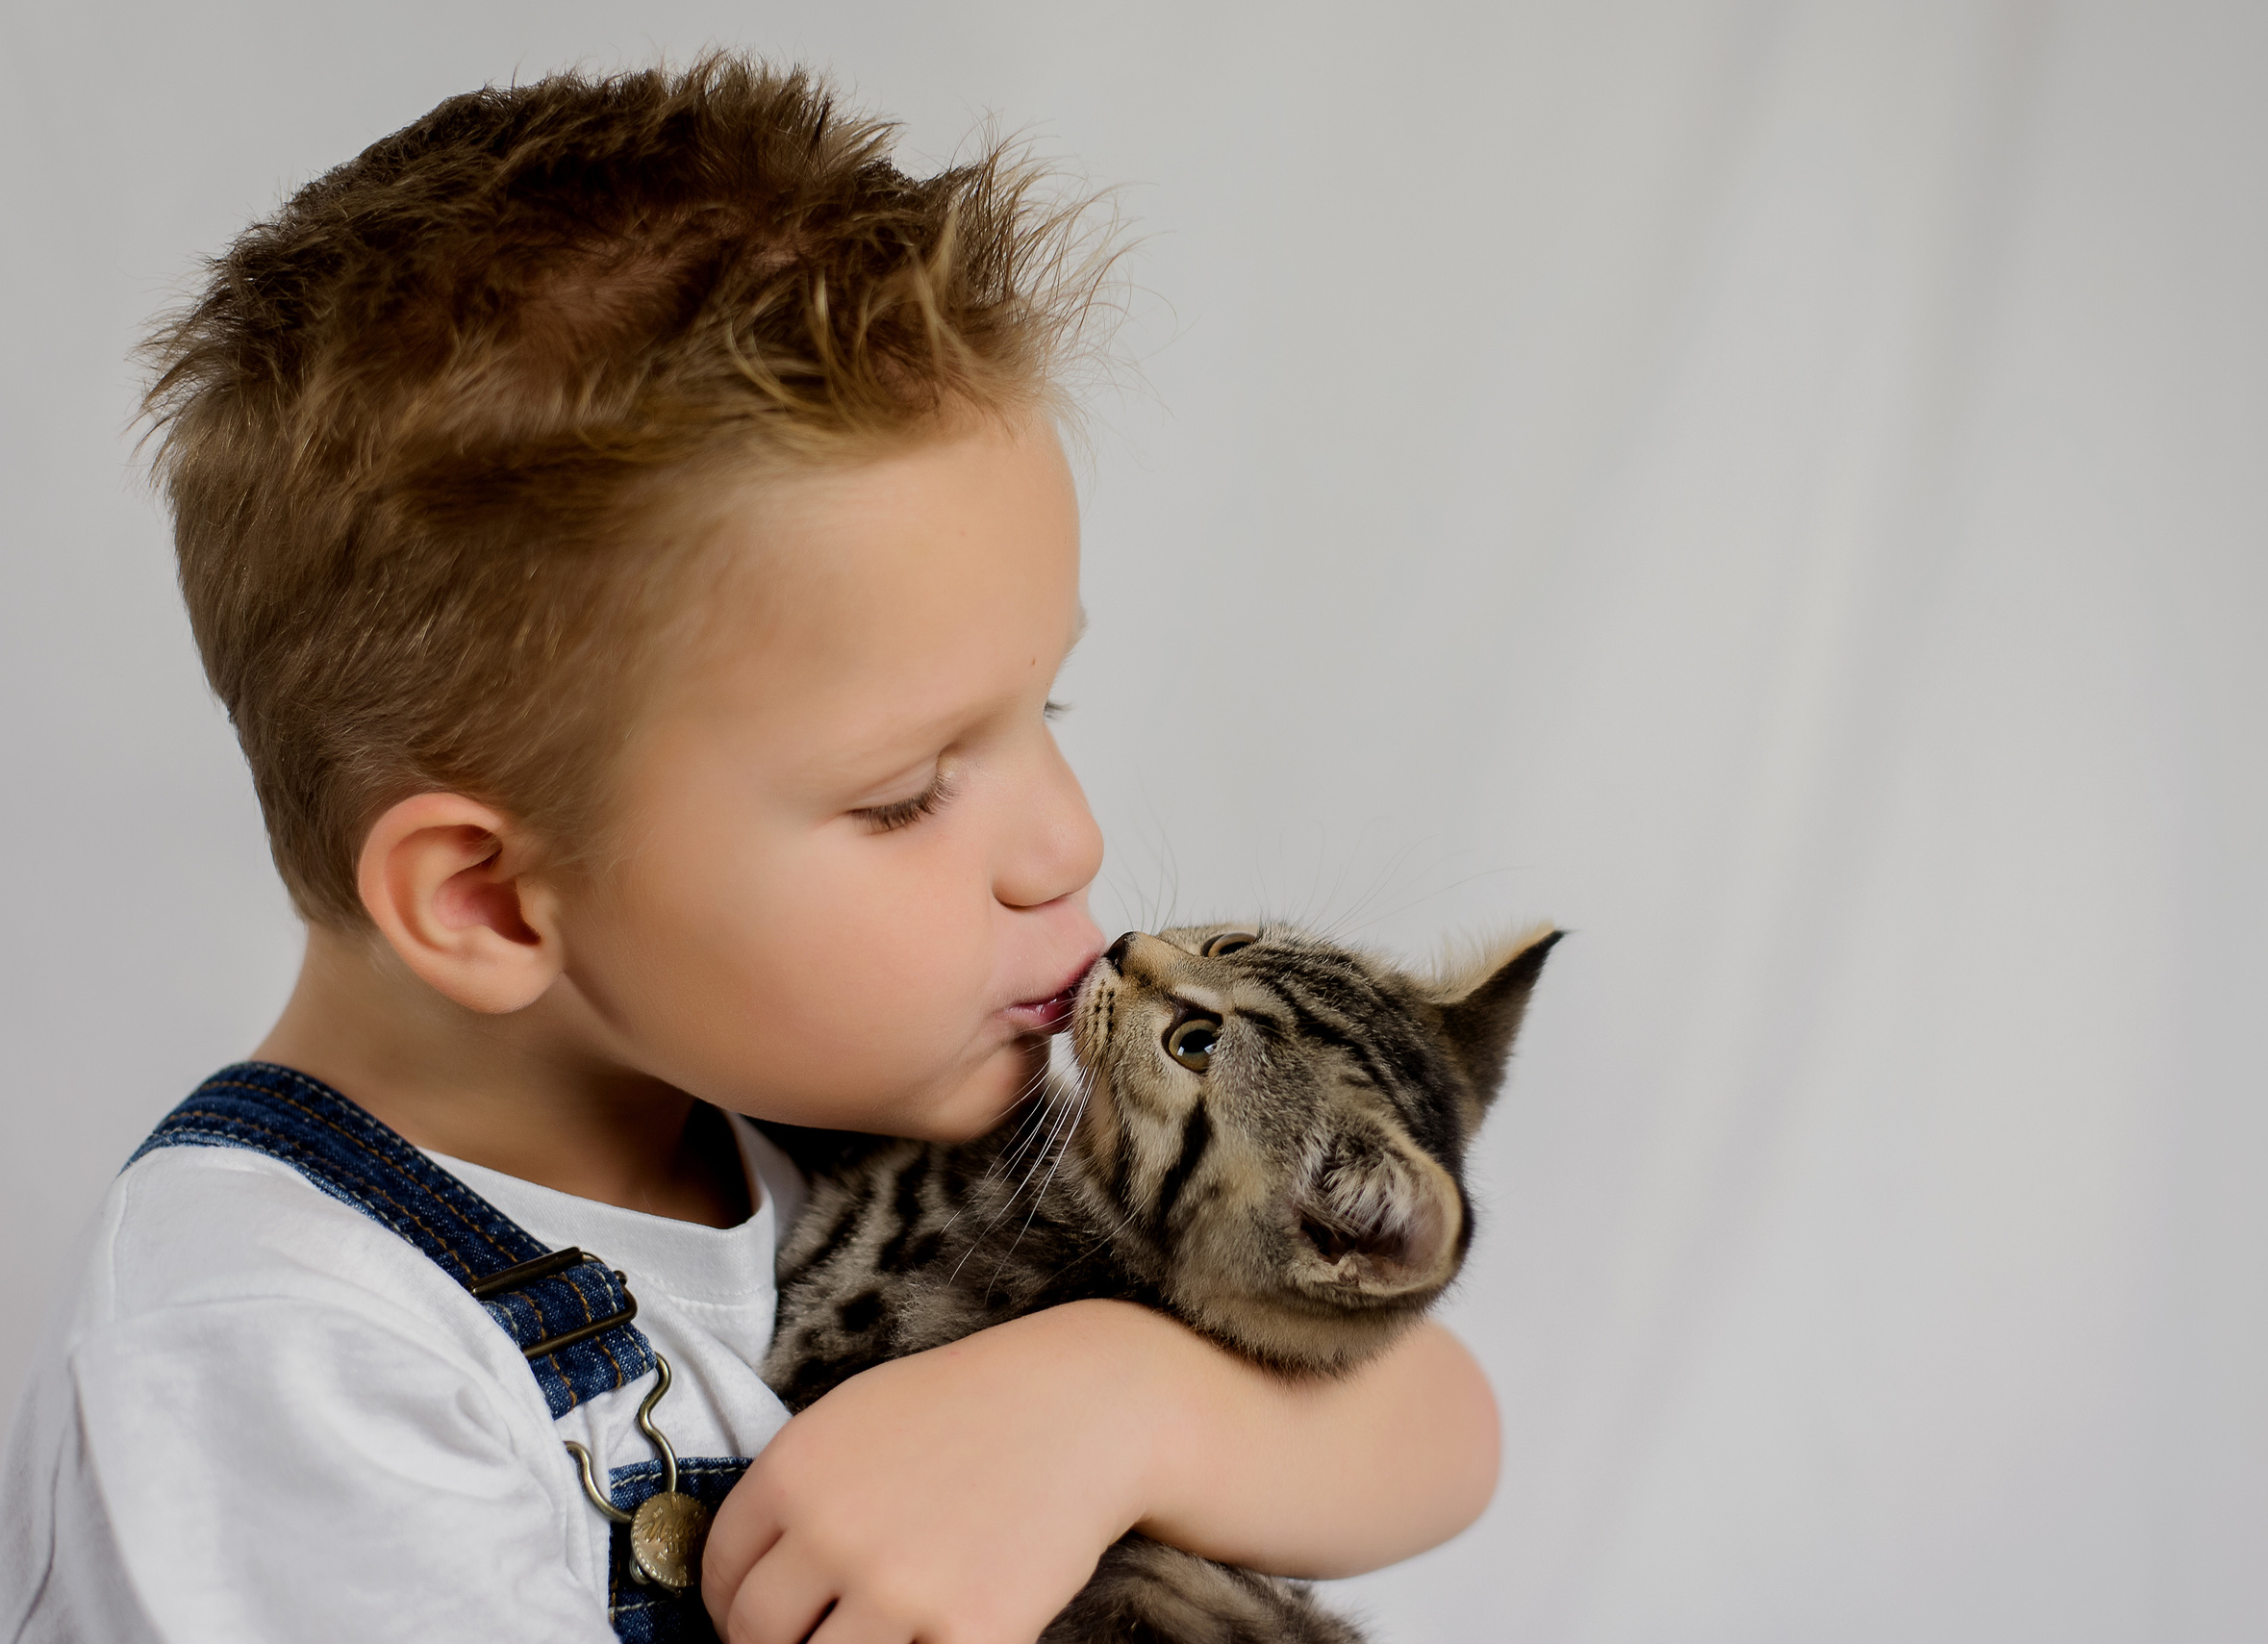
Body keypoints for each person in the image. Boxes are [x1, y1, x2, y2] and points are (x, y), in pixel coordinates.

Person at [0, 55, 1499, 1644]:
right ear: (494, 900)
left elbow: (1439, 1418)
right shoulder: (273, 1360)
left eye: (1043, 700)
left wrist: (1114, 1405)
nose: (1069, 836)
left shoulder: (840, 1106)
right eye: (910, 790)